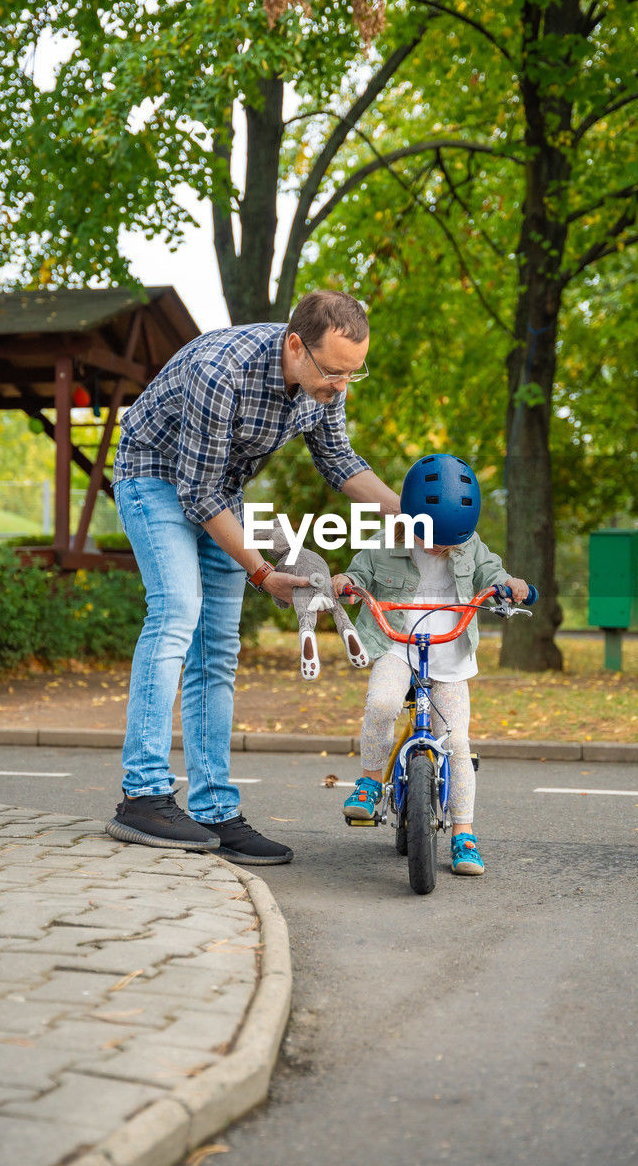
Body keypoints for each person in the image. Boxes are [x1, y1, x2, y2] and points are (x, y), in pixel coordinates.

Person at [107, 290, 401, 864]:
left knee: (218, 650)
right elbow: (195, 491)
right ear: (296, 346)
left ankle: (215, 809)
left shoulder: (323, 385)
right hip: (155, 478)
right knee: (176, 612)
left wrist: (408, 512)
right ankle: (142, 795)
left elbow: (338, 460)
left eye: (352, 375)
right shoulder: (224, 370)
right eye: (334, 372)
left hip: (222, 492)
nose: (341, 387)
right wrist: (261, 570)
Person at [332, 453, 529, 877]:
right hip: (396, 640)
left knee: (456, 743)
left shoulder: (469, 545)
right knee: (383, 703)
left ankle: (464, 835)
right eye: (430, 536)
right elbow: (360, 573)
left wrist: (509, 587)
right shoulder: (388, 538)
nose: (439, 546)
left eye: (448, 539)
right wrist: (348, 584)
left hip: (450, 648)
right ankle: (368, 782)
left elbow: (491, 573)